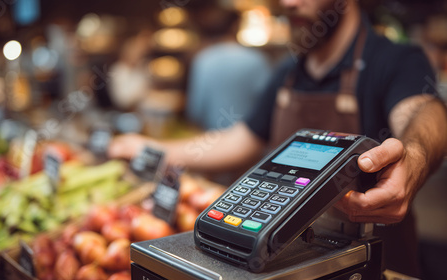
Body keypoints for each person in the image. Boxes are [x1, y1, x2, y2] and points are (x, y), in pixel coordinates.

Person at [109, 0, 447, 277]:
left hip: (367, 267)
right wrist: (152, 149)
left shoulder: (396, 59)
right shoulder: (287, 72)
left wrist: (414, 158)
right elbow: (242, 139)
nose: (288, 3)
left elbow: (424, 113)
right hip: (285, 265)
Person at [185, 3, 271, 130]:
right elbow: (268, 104)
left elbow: (195, 110)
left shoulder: (203, 59)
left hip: (213, 138)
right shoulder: (256, 59)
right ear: (236, 26)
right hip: (250, 137)